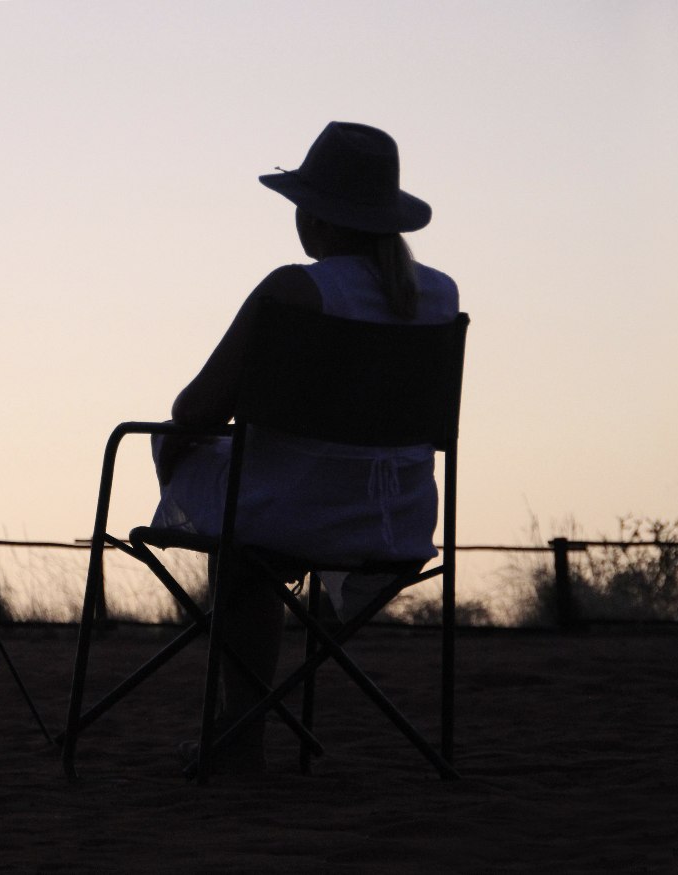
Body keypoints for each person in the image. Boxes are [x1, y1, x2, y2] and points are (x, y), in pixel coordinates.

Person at [151, 121, 460, 773]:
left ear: (316, 219)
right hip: (395, 518)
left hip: (284, 513)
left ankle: (242, 727)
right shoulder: (438, 295)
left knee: (226, 510)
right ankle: (247, 718)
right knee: (250, 516)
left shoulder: (294, 290)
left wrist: (172, 459)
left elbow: (195, 410)